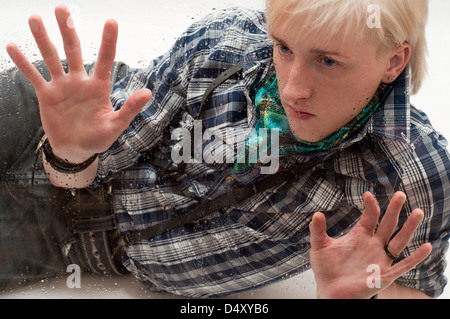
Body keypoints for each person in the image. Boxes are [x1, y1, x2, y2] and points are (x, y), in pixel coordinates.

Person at [3, 0, 449, 299]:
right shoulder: (224, 39)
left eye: (327, 61)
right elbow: (89, 167)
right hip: (67, 111)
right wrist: (69, 153)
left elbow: (413, 282)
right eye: (285, 47)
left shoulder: (416, 175)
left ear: (394, 60)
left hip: (75, 241)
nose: (293, 88)